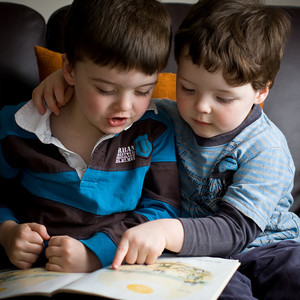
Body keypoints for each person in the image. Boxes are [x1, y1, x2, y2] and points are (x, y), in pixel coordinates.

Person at [33, 0, 300, 298]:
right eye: (187, 89)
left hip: (268, 247)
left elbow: (237, 229)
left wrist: (164, 231)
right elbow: (121, 101)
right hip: (192, 257)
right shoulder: (165, 117)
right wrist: (65, 80)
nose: (201, 107)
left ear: (261, 91)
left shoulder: (265, 149)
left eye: (223, 98)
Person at [0, 0, 181, 273]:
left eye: (143, 91)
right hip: (34, 274)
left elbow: (163, 209)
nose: (125, 106)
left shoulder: (155, 130)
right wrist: (7, 231)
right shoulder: (17, 127)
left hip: (117, 269)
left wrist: (97, 253)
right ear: (69, 70)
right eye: (106, 90)